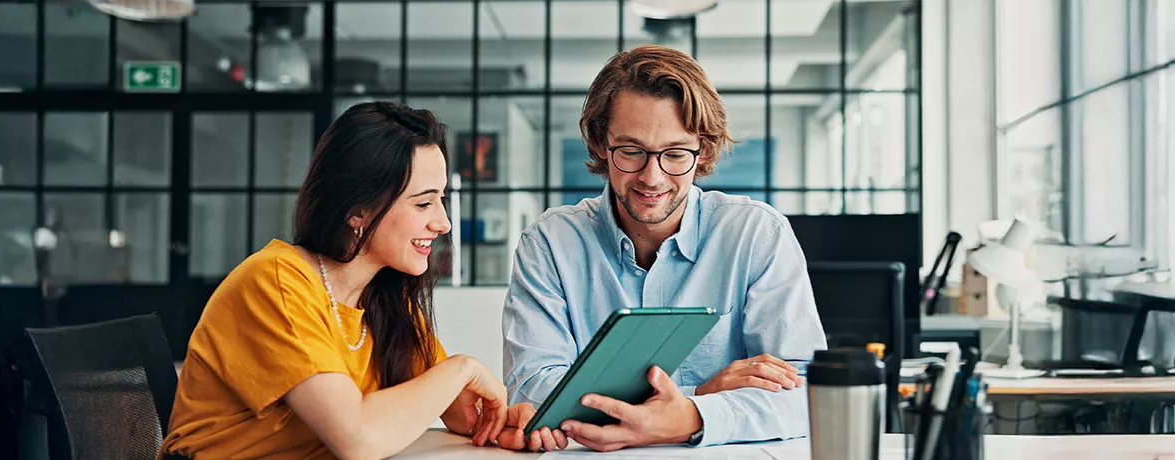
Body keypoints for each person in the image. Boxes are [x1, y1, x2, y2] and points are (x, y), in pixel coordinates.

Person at [502, 45, 828, 452]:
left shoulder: (756, 234)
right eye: (632, 151)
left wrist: (689, 415)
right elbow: (532, 391)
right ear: (601, 142)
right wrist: (700, 396)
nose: (652, 178)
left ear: (703, 150)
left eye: (674, 154)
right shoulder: (550, 244)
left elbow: (807, 392)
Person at [161, 101, 521, 459]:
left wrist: (512, 421)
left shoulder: (384, 295)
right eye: (423, 204)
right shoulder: (277, 282)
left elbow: (459, 413)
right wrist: (462, 368)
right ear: (358, 211)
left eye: (441, 200)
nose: (443, 223)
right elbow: (357, 438)